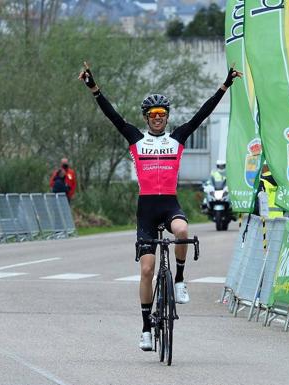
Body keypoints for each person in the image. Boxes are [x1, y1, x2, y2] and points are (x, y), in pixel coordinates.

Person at [79, 61, 241, 351]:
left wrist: (224, 86)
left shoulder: (177, 137)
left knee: (182, 231)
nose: (158, 118)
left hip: (169, 203)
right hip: (146, 210)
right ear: (145, 117)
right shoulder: (136, 139)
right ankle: (144, 328)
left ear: (167, 117)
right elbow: (113, 117)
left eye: (162, 114)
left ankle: (179, 279)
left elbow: (201, 115)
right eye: (153, 114)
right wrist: (94, 88)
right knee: (146, 271)